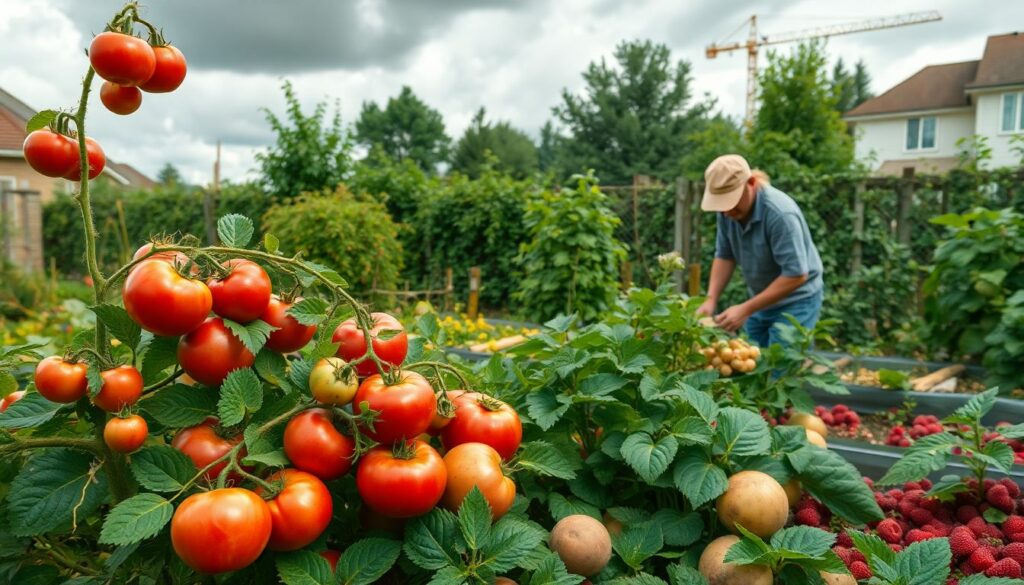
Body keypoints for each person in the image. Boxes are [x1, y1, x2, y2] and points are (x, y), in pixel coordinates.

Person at [695, 154, 823, 348]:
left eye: (731, 202)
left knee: (782, 363)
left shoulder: (780, 214)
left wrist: (745, 309)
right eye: (721, 205)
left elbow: (796, 274)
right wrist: (710, 300)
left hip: (797, 301)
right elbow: (725, 255)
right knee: (750, 360)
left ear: (752, 183)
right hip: (761, 299)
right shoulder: (727, 212)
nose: (726, 212)